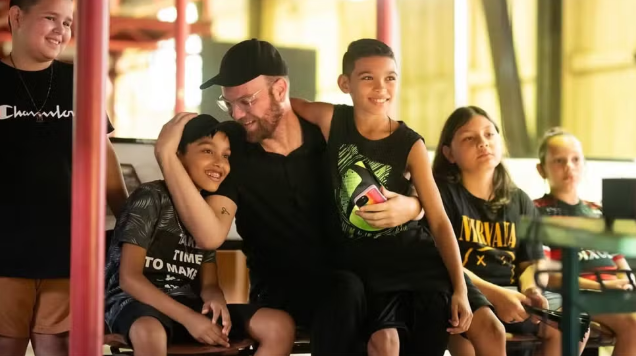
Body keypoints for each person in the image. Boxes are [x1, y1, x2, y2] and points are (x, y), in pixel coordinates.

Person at [153, 38, 425, 356]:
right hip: (282, 294)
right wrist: (167, 157)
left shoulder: (326, 135)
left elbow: (405, 166)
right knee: (348, 290)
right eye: (229, 104)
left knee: (409, 299)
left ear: (280, 90)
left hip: (356, 282)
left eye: (247, 101)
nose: (238, 114)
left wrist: (413, 206)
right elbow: (209, 234)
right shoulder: (234, 149)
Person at [290, 38, 485, 356]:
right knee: (385, 343)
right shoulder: (331, 120)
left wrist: (460, 288)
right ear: (345, 83)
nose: (381, 87)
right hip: (370, 268)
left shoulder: (410, 144)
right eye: (367, 77)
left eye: (390, 78)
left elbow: (438, 220)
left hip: (418, 262)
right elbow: (285, 104)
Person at [105, 114, 295, 356]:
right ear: (178, 154)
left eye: (226, 156)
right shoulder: (150, 197)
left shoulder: (206, 211)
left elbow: (209, 284)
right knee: (149, 331)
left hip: (188, 306)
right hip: (136, 305)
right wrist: (190, 319)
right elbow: (129, 279)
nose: (220, 163)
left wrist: (215, 300)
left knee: (278, 325)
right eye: (207, 151)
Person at [0, 0, 128, 355]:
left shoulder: (78, 81)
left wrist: (129, 221)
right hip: (5, 253)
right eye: (50, 18)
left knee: (56, 345)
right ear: (16, 17)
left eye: (68, 22)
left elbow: (104, 156)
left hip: (66, 253)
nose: (62, 30)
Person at [431, 106, 589, 356]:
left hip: (515, 294)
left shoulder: (519, 200)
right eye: (469, 138)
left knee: (573, 320)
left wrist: (532, 290)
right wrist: (496, 295)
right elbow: (440, 264)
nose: (483, 143)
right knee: (482, 333)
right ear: (449, 153)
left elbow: (533, 263)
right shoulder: (440, 196)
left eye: (489, 134)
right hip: (465, 293)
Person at [534, 127, 636, 356]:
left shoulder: (598, 211)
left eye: (575, 159)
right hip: (574, 294)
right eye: (559, 161)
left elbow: (620, 263)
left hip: (613, 294)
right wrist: (603, 286)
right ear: (542, 169)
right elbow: (546, 275)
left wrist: (626, 286)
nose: (569, 167)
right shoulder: (536, 212)